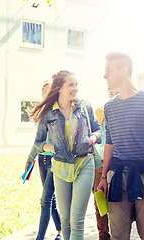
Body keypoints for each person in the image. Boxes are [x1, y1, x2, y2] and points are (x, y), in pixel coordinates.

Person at [97, 52, 144, 240]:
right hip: (118, 178)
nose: (105, 75)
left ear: (124, 70)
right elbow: (109, 143)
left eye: (108, 71)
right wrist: (104, 176)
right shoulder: (109, 107)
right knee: (118, 235)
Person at [31, 70, 102, 240]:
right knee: (65, 220)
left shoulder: (84, 106)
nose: (75, 89)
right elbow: (38, 143)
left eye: (76, 85)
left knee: (76, 219)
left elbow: (98, 130)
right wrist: (51, 147)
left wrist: (92, 138)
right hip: (60, 167)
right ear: (59, 88)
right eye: (71, 85)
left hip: (84, 163)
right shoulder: (48, 113)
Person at [25, 80, 62, 240]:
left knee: (45, 199)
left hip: (55, 161)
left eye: (49, 92)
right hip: (42, 160)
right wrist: (30, 159)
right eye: (44, 93)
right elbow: (38, 140)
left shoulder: (59, 112)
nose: (46, 95)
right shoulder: (43, 115)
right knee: (50, 199)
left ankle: (40, 237)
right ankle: (60, 231)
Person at [93, 87, 118, 240]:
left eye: (116, 93)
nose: (113, 96)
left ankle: (117, 234)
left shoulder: (126, 114)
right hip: (99, 163)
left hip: (117, 164)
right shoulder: (99, 112)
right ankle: (103, 235)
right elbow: (95, 135)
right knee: (99, 203)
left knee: (116, 203)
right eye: (110, 93)